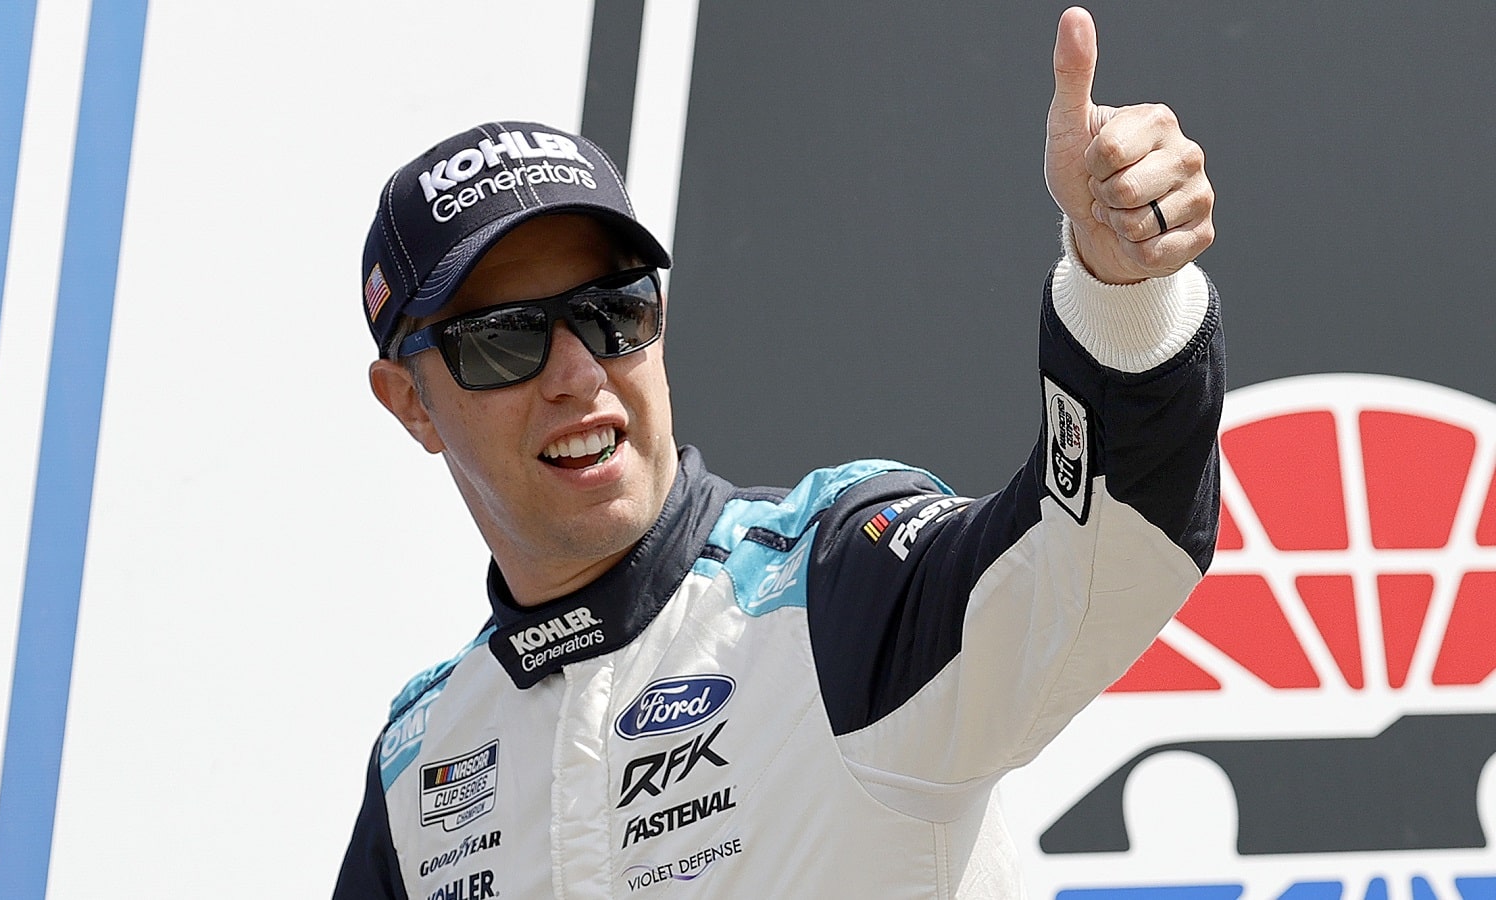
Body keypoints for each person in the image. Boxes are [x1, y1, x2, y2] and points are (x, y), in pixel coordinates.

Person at [334, 7, 1220, 898]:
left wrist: (1124, 294)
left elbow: (1103, 558)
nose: (577, 372)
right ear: (411, 403)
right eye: (504, 341)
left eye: (616, 312)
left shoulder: (834, 590)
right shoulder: (420, 767)